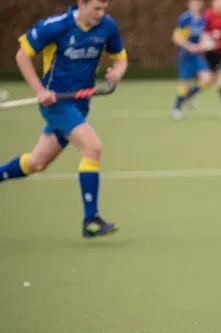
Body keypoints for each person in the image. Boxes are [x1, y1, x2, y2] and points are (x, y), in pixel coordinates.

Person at [0, 0, 127, 238]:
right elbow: (21, 55)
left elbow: (120, 57)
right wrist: (39, 91)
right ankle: (91, 220)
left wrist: (116, 73)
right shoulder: (56, 26)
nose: (101, 14)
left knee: (37, 162)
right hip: (56, 104)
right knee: (92, 147)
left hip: (80, 104)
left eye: (104, 9)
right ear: (82, 3)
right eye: (96, 9)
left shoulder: (107, 27)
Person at [172, 0, 213, 120]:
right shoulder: (185, 18)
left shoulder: (202, 19)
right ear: (189, 4)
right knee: (185, 83)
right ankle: (177, 107)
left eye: (198, 2)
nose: (196, 4)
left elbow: (202, 35)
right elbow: (176, 37)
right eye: (194, 2)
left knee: (207, 79)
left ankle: (189, 95)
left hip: (196, 56)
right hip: (185, 56)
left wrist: (206, 43)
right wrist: (190, 46)